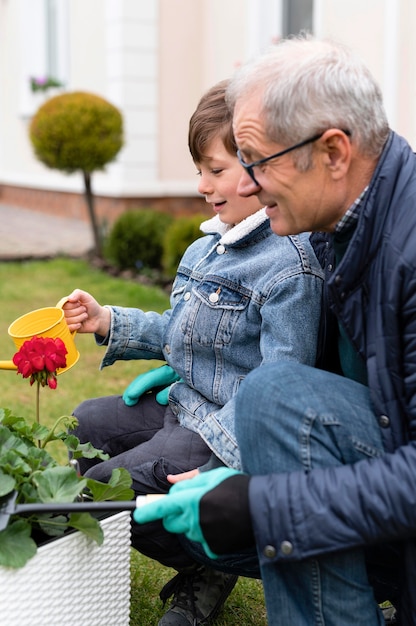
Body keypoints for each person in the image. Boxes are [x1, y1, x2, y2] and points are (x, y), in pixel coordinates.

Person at [133, 35, 416, 626]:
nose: (248, 185)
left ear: (334, 152)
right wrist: (194, 345)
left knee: (277, 405)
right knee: (275, 396)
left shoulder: (408, 249)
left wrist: (265, 505)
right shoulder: (340, 225)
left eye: (257, 161)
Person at [62, 79, 324, 626]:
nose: (202, 184)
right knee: (80, 425)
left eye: (216, 168)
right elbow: (183, 329)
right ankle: (174, 554)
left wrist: (226, 465)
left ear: (262, 167)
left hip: (224, 430)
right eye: (198, 168)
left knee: (113, 490)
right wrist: (109, 320)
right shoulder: (207, 246)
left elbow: (282, 386)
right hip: (182, 405)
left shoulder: (290, 266)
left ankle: (210, 561)